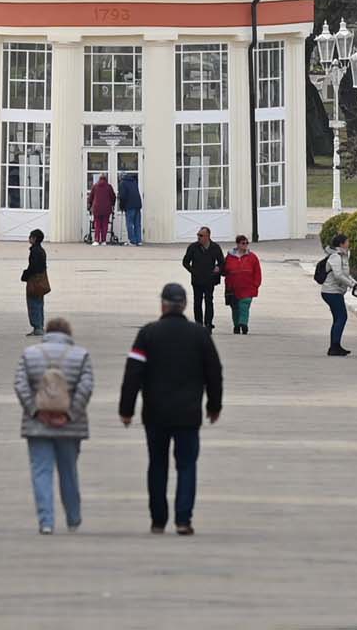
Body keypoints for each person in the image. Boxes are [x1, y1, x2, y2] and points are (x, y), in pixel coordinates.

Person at [119, 280, 224, 535]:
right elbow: (214, 372)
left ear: (163, 305)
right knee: (187, 466)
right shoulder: (200, 334)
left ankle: (158, 520)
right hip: (188, 414)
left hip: (155, 413)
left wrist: (127, 409)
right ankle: (183, 519)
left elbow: (133, 372)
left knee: (157, 464)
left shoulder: (148, 333)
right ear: (185, 305)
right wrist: (213, 405)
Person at [14, 315, 95, 534]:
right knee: (69, 471)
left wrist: (36, 410)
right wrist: (69, 414)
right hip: (70, 426)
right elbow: (86, 387)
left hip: (37, 424)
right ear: (68, 335)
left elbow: (20, 385)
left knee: (41, 472)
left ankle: (46, 522)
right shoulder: (81, 356)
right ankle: (73, 518)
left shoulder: (30, 355)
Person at [316, 232, 353, 354]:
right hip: (331, 291)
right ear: (341, 244)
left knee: (338, 318)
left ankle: (335, 346)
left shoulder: (343, 256)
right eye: (347, 241)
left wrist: (355, 284)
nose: (349, 243)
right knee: (342, 317)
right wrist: (352, 285)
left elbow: (345, 274)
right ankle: (334, 347)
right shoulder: (335, 257)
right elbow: (338, 275)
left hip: (336, 291)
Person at [181, 227, 224, 328]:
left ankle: (208, 323)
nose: (198, 237)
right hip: (197, 280)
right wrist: (193, 271)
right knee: (197, 302)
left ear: (208, 236)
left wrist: (218, 268)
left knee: (209, 300)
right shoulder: (193, 247)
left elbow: (222, 262)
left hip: (210, 279)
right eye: (198, 235)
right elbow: (185, 262)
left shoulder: (215, 247)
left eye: (201, 235)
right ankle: (198, 323)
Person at [221, 234, 262, 334]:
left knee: (244, 305)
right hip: (233, 287)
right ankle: (236, 325)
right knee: (235, 307)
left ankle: (243, 324)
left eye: (246, 243)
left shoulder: (252, 257)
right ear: (238, 244)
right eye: (243, 243)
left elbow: (257, 272)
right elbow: (224, 270)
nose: (245, 245)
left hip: (248, 287)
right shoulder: (230, 257)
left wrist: (256, 284)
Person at [20, 230, 50, 335]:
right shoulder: (41, 250)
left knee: (33, 303)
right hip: (40, 280)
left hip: (35, 281)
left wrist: (26, 275)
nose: (29, 238)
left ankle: (37, 327)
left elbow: (33, 267)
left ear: (35, 239)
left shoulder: (35, 251)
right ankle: (39, 326)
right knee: (39, 303)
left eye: (31, 236)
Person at [88, 173, 116, 245]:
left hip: (96, 208)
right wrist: (112, 204)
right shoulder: (109, 187)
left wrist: (90, 205)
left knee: (97, 224)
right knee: (104, 225)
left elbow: (90, 197)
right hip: (106, 209)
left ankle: (96, 240)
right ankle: (103, 240)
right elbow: (113, 197)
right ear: (106, 179)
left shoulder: (95, 186)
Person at [117, 169, 143, 246]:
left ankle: (132, 241)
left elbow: (122, 197)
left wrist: (121, 206)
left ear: (120, 177)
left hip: (129, 206)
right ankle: (138, 240)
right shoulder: (134, 181)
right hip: (137, 205)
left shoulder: (122, 183)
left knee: (129, 224)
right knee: (137, 224)